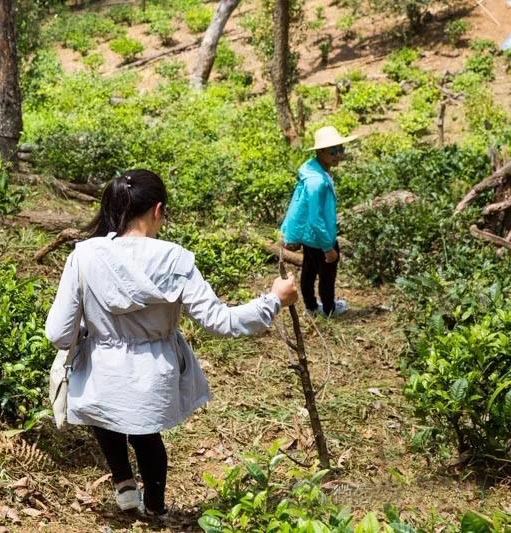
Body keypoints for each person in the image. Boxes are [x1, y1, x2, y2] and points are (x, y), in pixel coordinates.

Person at [45, 169, 297, 517]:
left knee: (105, 417)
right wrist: (273, 300)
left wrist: (94, 330)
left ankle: (124, 484)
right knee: (147, 438)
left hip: (102, 368)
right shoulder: (175, 259)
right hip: (153, 372)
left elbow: (59, 333)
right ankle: (156, 509)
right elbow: (219, 322)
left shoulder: (85, 256)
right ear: (158, 210)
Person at [280, 126, 356, 318]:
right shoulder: (317, 182)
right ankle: (328, 309)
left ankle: (311, 307)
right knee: (327, 276)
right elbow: (316, 219)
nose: (338, 155)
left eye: (341, 149)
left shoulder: (312, 170)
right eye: (333, 151)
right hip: (320, 237)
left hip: (309, 237)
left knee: (309, 270)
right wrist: (328, 247)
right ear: (320, 151)